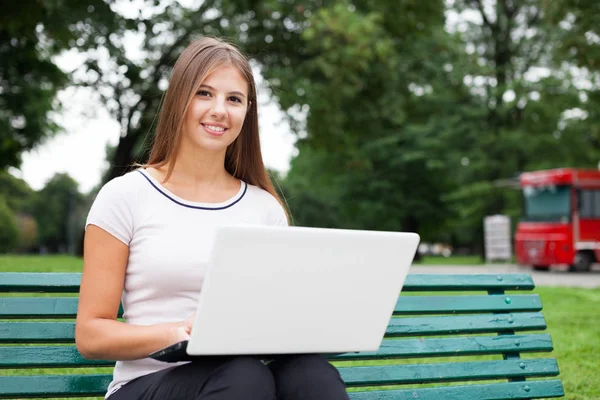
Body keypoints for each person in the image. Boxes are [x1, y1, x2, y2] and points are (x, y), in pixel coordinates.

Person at [75, 36, 350, 400]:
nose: (220, 110)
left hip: (240, 377)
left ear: (247, 112)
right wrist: (179, 332)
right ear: (179, 101)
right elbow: (92, 334)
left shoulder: (264, 209)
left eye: (234, 99)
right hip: (147, 386)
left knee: (310, 373)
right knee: (243, 376)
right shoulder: (126, 196)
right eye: (204, 93)